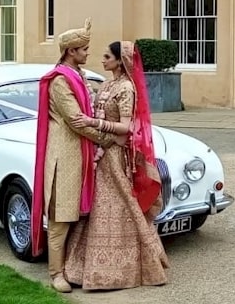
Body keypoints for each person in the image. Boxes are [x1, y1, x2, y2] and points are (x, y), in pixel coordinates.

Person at [63, 40, 169, 290]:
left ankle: (124, 270)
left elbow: (126, 128)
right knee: (98, 209)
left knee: (120, 208)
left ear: (120, 61)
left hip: (114, 157)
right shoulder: (108, 83)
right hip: (101, 153)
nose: (102, 60)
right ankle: (87, 268)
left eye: (107, 56)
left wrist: (93, 123)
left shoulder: (126, 89)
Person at [30, 20, 119, 293]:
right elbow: (76, 121)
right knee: (60, 220)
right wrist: (110, 139)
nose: (88, 53)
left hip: (81, 155)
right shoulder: (60, 80)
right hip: (65, 157)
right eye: (84, 49)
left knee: (78, 219)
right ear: (71, 51)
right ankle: (56, 274)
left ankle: (73, 268)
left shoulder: (79, 74)